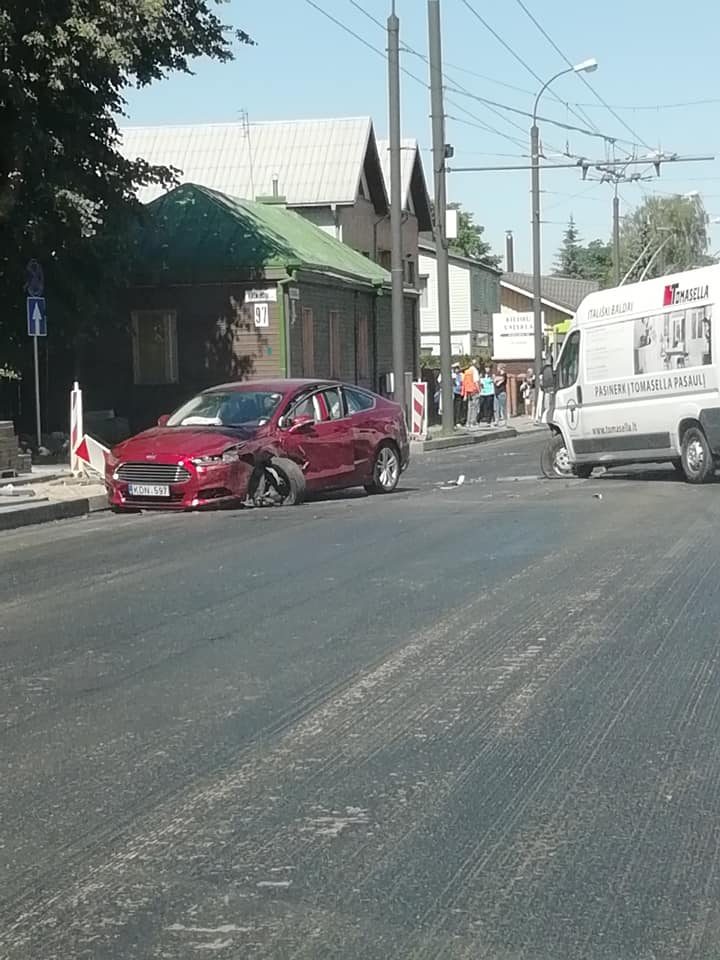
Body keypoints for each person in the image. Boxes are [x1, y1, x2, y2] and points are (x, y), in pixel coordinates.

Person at [461, 360, 480, 428]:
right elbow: (476, 381)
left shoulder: (467, 371)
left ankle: (468, 422)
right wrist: (479, 390)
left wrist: (465, 393)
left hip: (468, 391)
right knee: (475, 407)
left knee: (470, 407)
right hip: (474, 390)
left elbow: (464, 383)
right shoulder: (475, 371)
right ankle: (473, 422)